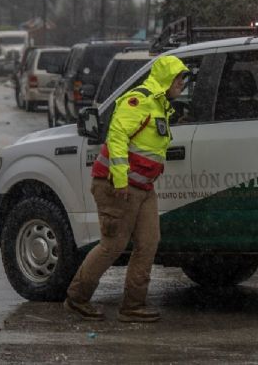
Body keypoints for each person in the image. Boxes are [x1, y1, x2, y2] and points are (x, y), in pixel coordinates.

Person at [64, 55, 189, 322]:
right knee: (112, 246)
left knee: (148, 243)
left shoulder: (160, 106)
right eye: (178, 77)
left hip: (143, 189)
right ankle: (77, 298)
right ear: (166, 77)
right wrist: (119, 179)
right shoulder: (140, 101)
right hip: (117, 187)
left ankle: (133, 305)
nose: (182, 83)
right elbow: (117, 136)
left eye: (183, 78)